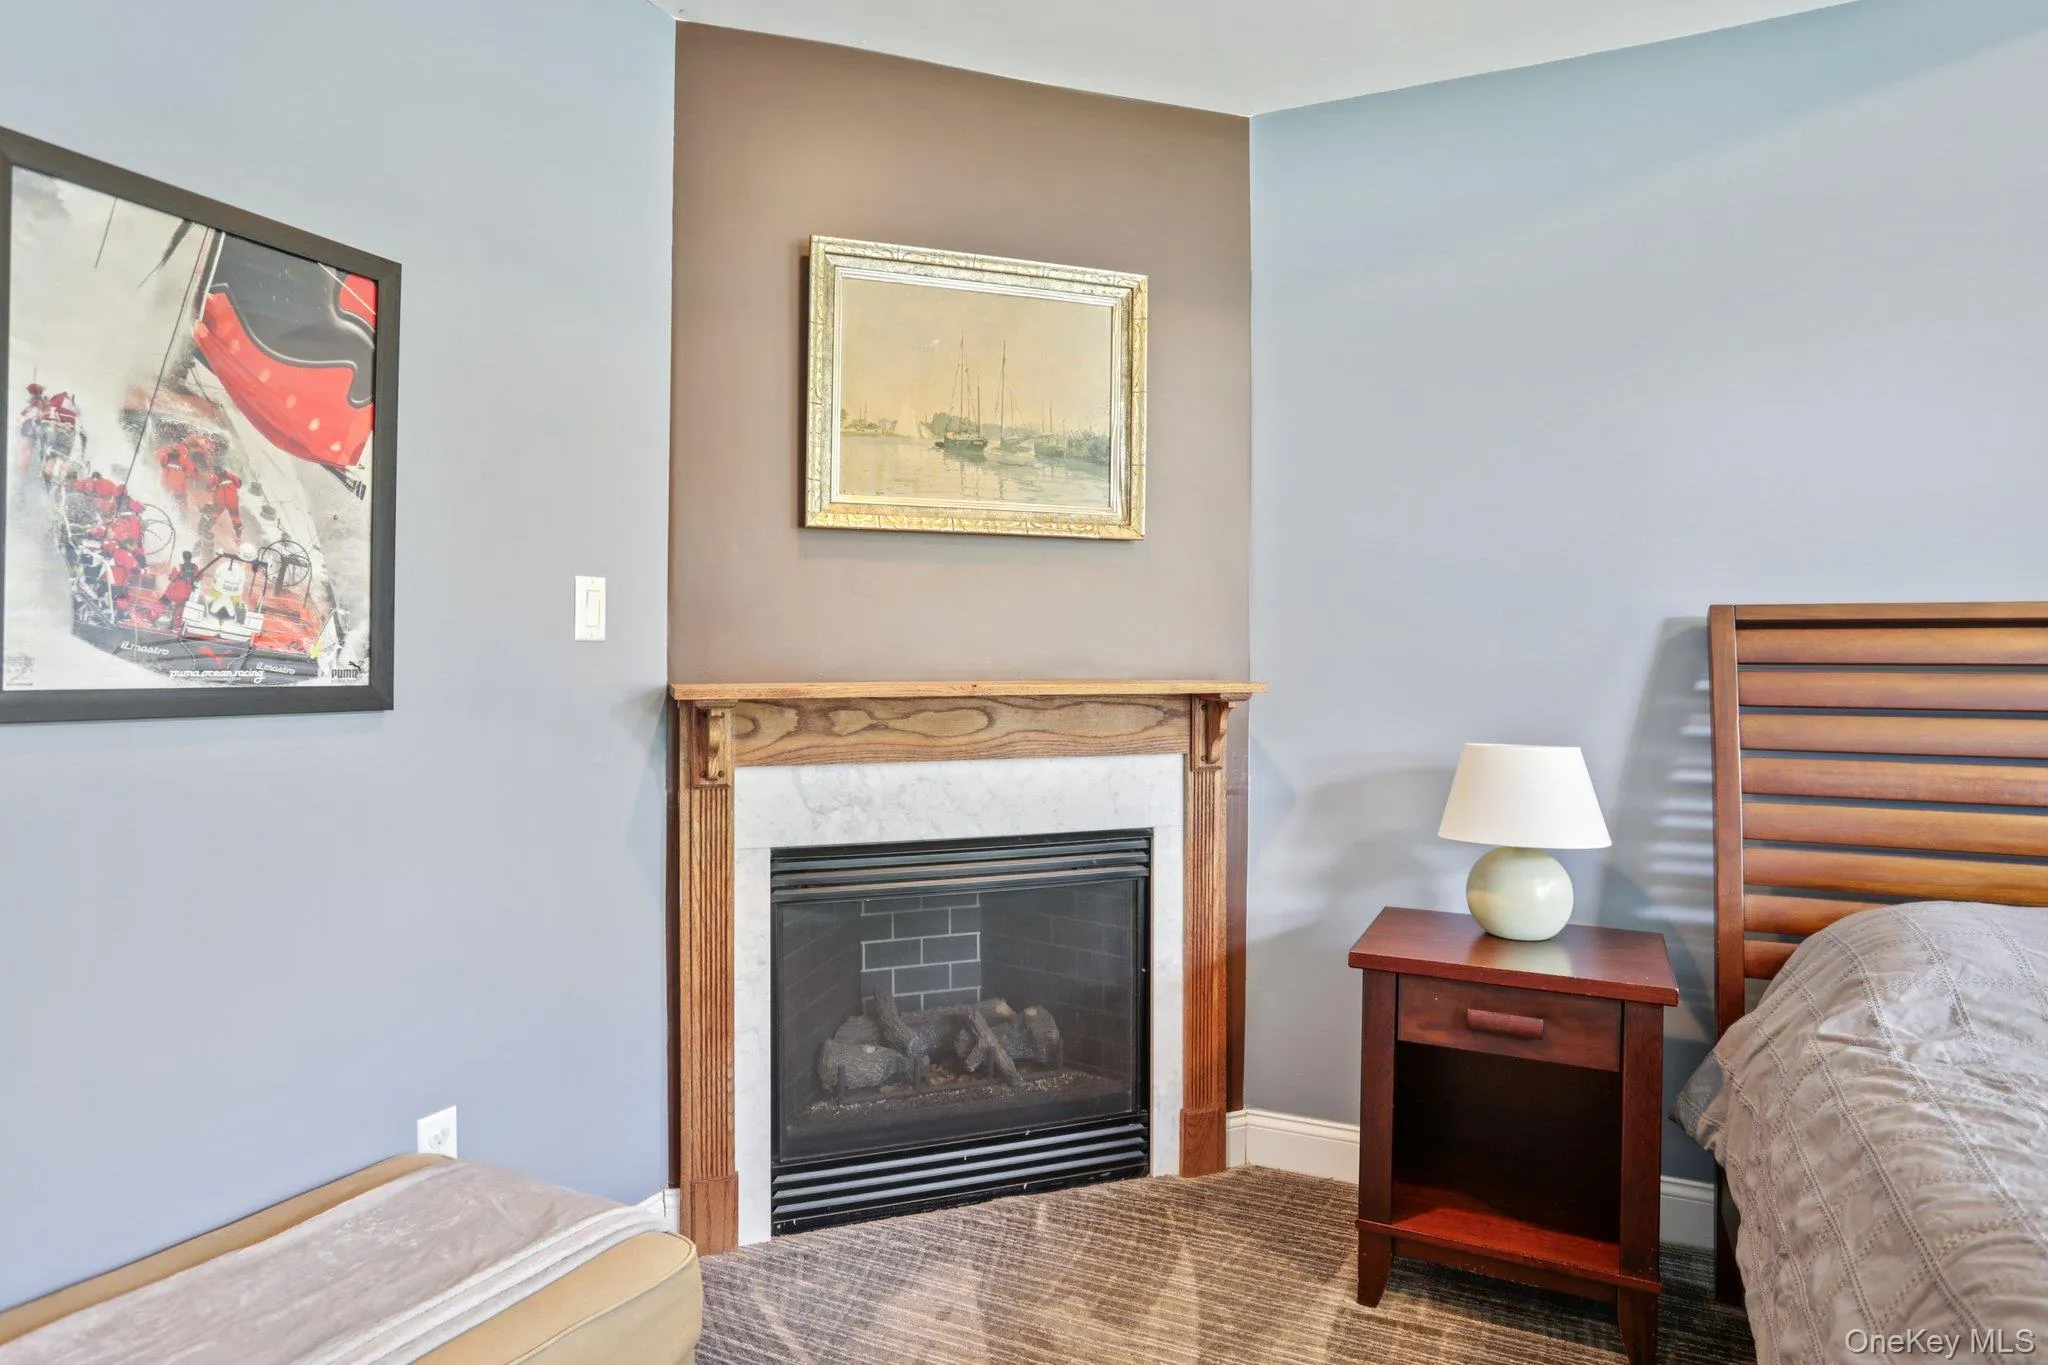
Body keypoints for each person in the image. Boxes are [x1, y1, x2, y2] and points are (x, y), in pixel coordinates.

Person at [157, 552, 198, 631]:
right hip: (186, 593)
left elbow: (172, 577)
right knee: (180, 609)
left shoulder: (178, 567)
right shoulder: (195, 567)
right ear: (191, 557)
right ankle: (176, 626)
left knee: (163, 603)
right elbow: (199, 576)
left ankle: (152, 617)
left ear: (183, 558)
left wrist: (170, 576)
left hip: (174, 592)